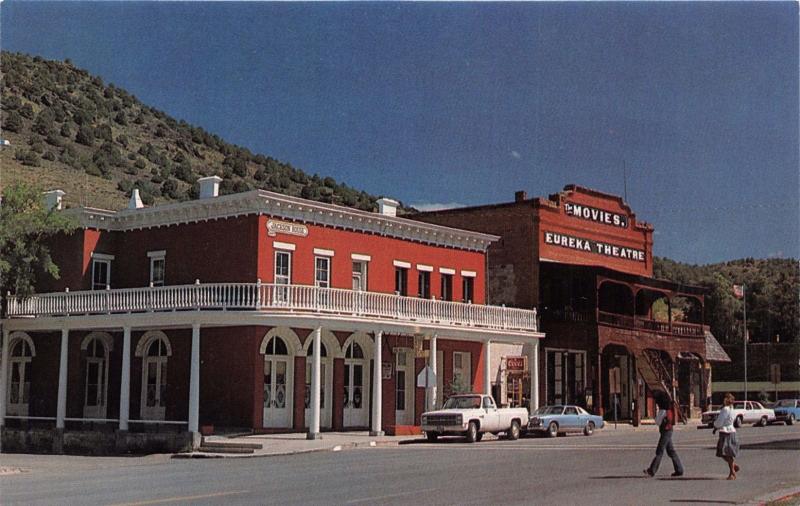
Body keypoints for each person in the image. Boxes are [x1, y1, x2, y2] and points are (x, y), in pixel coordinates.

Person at [644, 392, 684, 477]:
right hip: (669, 430)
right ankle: (679, 469)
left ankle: (652, 470)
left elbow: (657, 422)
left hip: (665, 431)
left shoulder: (662, 411)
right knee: (671, 451)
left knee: (660, 450)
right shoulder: (669, 409)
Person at [713, 393, 740, 480]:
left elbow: (720, 421)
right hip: (732, 431)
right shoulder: (732, 409)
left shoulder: (725, 409)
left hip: (726, 432)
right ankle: (733, 466)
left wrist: (715, 426)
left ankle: (732, 473)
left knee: (726, 453)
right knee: (723, 452)